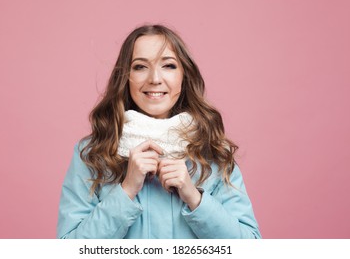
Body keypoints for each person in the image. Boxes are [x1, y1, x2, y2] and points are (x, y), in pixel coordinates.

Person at [57, 24, 261, 239]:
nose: (155, 79)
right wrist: (126, 190)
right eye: (140, 67)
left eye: (169, 66)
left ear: (184, 75)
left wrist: (194, 198)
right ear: (125, 77)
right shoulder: (92, 153)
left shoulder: (213, 150)